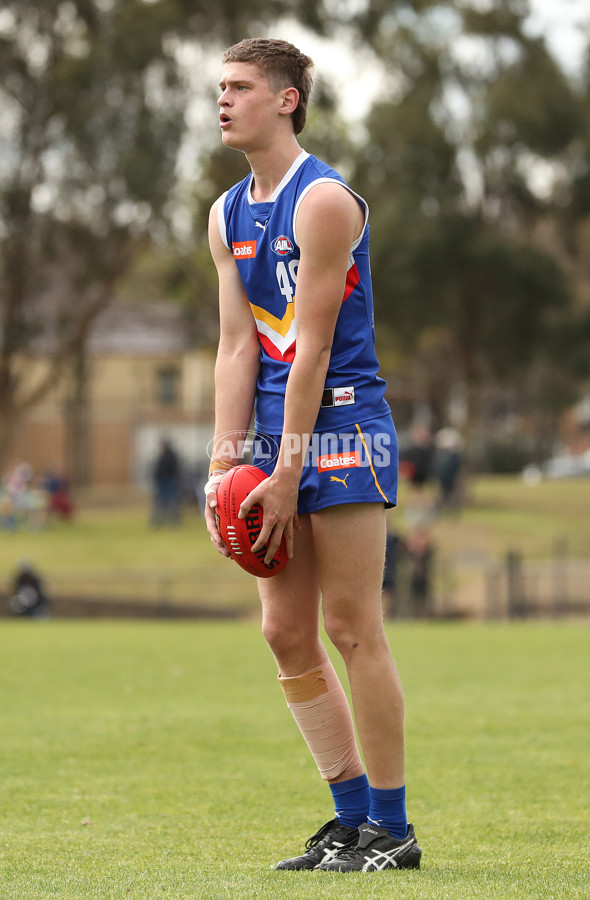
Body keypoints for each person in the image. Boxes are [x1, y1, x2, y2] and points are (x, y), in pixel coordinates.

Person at [203, 38, 421, 874]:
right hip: (271, 436)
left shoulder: (323, 200)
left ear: (287, 100)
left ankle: (393, 831)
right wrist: (229, 463)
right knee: (286, 631)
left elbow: (316, 351)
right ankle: (349, 818)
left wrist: (289, 471)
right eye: (219, 88)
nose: (224, 101)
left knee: (352, 627)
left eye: (241, 87)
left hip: (343, 428)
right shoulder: (225, 215)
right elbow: (235, 348)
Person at [150, 438, 181, 527]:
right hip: (168, 481)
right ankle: (170, 521)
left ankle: (162, 521)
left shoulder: (166, 456)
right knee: (170, 502)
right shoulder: (171, 455)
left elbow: (163, 469)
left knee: (163, 502)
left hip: (166, 481)